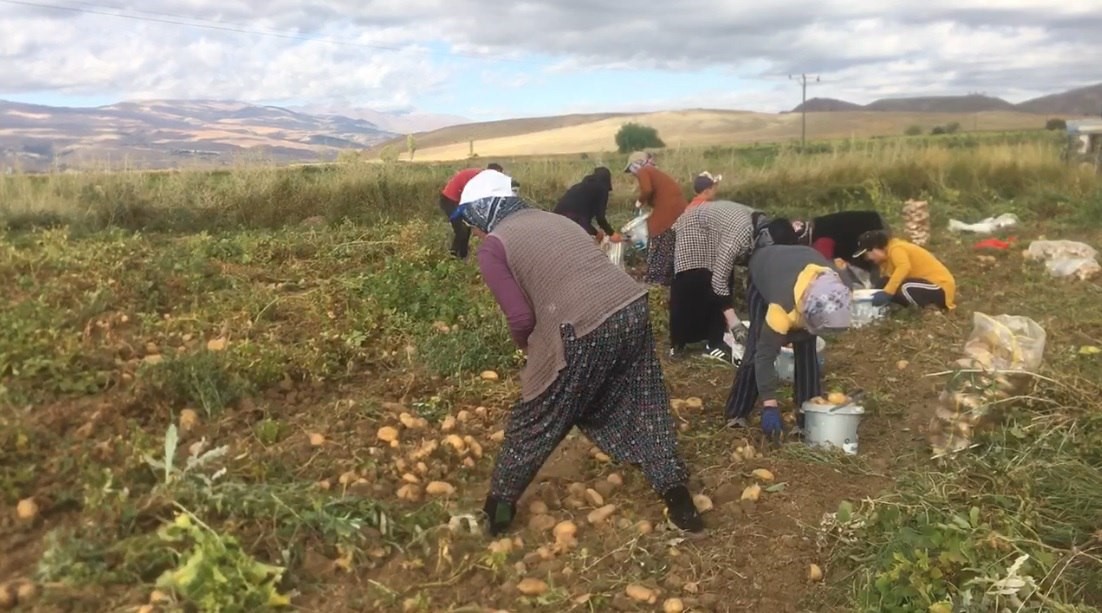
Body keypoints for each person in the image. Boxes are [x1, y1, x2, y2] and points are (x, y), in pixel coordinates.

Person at [451, 169, 704, 535]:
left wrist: (534, 351)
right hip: (630, 305)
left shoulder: (495, 245)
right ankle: (680, 502)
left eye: (471, 220)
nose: (473, 231)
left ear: (482, 211)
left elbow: (521, 317)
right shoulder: (556, 220)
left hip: (583, 326)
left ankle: (496, 516)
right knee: (645, 402)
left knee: (535, 420)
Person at [724, 245, 852, 435]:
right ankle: (737, 412)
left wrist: (798, 334)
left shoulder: (841, 289)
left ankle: (806, 418)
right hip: (765, 268)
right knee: (758, 346)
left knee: (807, 348)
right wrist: (770, 404)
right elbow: (764, 356)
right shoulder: (781, 308)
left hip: (802, 265)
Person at [669, 200, 763, 363]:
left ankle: (715, 340)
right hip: (692, 226)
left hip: (716, 229)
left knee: (724, 279)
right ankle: (678, 344)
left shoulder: (763, 227)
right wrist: (735, 323)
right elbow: (719, 281)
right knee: (692, 281)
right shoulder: (741, 233)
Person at [624, 151, 687, 287]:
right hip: (678, 210)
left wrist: (639, 202)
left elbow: (647, 190)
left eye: (632, 169)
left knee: (657, 237)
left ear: (636, 164)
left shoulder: (644, 170)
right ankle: (668, 280)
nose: (633, 173)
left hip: (668, 211)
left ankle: (655, 282)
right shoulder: (654, 171)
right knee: (669, 243)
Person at [853, 229, 957, 310]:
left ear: (875, 248)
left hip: (939, 286)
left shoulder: (896, 248)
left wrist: (888, 292)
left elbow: (904, 267)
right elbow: (889, 279)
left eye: (867, 255)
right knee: (885, 282)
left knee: (904, 287)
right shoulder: (886, 260)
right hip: (923, 285)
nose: (868, 259)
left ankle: (924, 313)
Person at [438, 162, 504, 259]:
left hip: (458, 202)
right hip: (449, 201)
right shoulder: (479, 179)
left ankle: (463, 257)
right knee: (461, 230)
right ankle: (452, 257)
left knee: (467, 228)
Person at [791, 211, 887, 270]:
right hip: (872, 222)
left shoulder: (822, 240)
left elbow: (825, 267)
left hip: (871, 232)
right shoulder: (820, 225)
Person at [553, 166, 621, 244]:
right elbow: (600, 218)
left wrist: (595, 232)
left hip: (555, 219)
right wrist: (611, 233)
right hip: (573, 219)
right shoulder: (602, 188)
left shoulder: (578, 186)